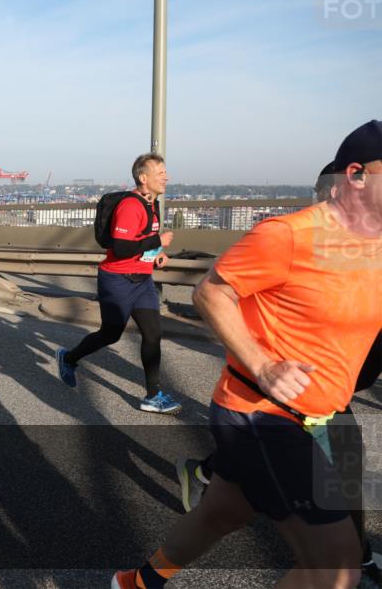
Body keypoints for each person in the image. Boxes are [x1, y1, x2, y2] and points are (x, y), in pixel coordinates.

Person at [113, 121, 382, 589]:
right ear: (357, 175)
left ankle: (134, 583)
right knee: (336, 567)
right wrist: (264, 364)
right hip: (263, 415)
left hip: (321, 411)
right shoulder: (290, 235)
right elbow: (211, 293)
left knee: (220, 515)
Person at [56, 153, 181, 414]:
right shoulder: (130, 206)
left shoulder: (151, 204)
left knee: (153, 334)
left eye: (165, 172)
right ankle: (68, 358)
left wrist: (155, 255)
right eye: (160, 173)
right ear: (143, 178)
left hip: (142, 280)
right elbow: (122, 248)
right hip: (117, 281)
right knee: (110, 334)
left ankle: (152, 395)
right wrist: (157, 242)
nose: (166, 177)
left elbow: (143, 238)